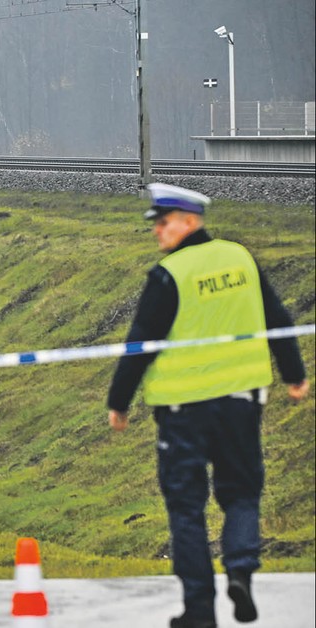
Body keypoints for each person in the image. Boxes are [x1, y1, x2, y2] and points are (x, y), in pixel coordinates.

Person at [106, 183, 309, 628]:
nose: (157, 232)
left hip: (183, 411)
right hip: (241, 403)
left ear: (189, 222)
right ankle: (240, 571)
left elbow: (141, 343)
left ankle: (199, 610)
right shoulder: (241, 258)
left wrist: (118, 402)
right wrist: (294, 373)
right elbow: (277, 318)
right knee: (240, 493)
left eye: (163, 223)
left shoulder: (169, 274)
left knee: (186, 507)